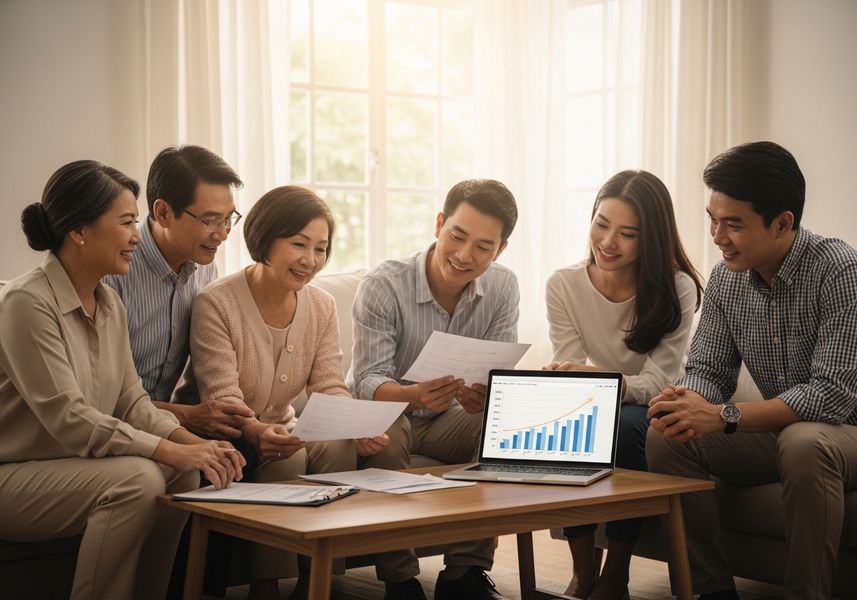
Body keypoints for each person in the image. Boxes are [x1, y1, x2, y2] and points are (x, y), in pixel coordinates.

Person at [0, 160, 244, 600]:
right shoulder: (25, 303)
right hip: (13, 476)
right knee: (139, 478)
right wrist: (169, 447)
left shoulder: (108, 301)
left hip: (71, 466)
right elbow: (69, 417)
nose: (137, 235)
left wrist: (191, 445)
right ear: (80, 230)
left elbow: (132, 401)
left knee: (181, 474)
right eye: (128, 222)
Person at [646, 141, 857, 600]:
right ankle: (709, 591)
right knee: (668, 432)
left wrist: (725, 416)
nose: (717, 236)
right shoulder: (726, 276)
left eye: (733, 224)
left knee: (805, 441)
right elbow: (707, 367)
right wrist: (687, 400)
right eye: (712, 220)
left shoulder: (839, 269)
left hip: (845, 431)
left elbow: (833, 395)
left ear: (783, 223)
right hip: (783, 430)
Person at [189, 185, 393, 600]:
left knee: (337, 447)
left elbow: (329, 384)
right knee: (291, 456)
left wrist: (358, 427)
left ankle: (317, 582)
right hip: (231, 434)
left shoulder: (321, 305)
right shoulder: (216, 303)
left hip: (285, 429)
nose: (310, 260)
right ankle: (265, 587)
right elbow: (224, 397)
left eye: (320, 248)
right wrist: (257, 432)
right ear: (265, 238)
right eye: (298, 244)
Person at [347, 179, 520, 600]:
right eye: (457, 236)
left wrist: (487, 397)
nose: (464, 255)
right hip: (391, 411)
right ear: (439, 224)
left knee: (503, 429)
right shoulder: (384, 284)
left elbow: (498, 374)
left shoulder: (503, 287)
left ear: (500, 250)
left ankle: (465, 574)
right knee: (385, 438)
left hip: (450, 418)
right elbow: (367, 378)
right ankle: (401, 581)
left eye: (483, 246)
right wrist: (413, 395)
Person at [544, 170, 703, 600]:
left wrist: (595, 380)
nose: (608, 241)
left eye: (627, 233)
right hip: (598, 397)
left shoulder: (677, 287)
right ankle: (582, 571)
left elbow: (657, 383)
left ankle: (617, 572)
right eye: (601, 223)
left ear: (650, 237)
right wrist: (582, 381)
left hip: (654, 403)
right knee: (573, 422)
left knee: (632, 424)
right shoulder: (564, 284)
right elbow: (569, 365)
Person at [104, 145, 255, 440]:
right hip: (116, 426)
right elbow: (100, 395)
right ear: (163, 213)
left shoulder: (205, 270)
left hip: (168, 425)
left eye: (228, 219)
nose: (223, 234)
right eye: (210, 220)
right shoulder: (113, 272)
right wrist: (185, 416)